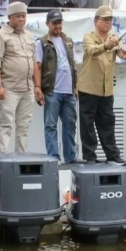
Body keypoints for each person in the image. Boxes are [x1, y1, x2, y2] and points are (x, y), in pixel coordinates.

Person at [76, 6, 126, 165]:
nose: (108, 23)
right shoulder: (89, 36)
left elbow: (121, 51)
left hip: (107, 90)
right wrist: (106, 45)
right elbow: (92, 51)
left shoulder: (114, 37)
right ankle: (90, 156)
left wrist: (123, 51)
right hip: (88, 88)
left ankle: (112, 155)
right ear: (96, 21)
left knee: (108, 123)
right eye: (105, 20)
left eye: (110, 20)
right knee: (87, 124)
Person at [0, 2, 40, 155]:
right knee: (6, 124)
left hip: (28, 88)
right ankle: (2, 158)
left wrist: (37, 86)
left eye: (24, 16)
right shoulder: (0, 36)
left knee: (24, 125)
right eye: (18, 16)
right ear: (10, 17)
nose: (22, 19)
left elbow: (35, 62)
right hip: (9, 88)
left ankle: (21, 158)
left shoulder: (28, 35)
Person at [34, 9, 80, 163]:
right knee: (51, 125)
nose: (57, 26)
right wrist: (38, 88)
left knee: (70, 124)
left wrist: (75, 86)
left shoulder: (68, 41)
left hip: (69, 91)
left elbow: (72, 65)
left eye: (59, 22)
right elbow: (38, 66)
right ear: (47, 24)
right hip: (52, 90)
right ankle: (53, 157)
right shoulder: (41, 42)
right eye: (54, 23)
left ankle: (70, 157)